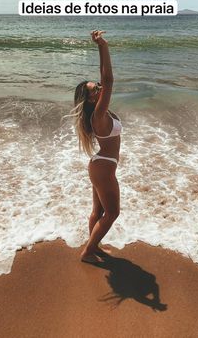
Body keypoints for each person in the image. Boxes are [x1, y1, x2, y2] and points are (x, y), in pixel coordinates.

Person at [73, 30, 122, 263]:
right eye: (96, 89)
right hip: (103, 167)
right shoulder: (99, 114)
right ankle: (88, 252)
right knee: (112, 213)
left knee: (99, 212)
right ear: (92, 99)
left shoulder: (97, 114)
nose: (101, 87)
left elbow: (105, 80)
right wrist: (102, 45)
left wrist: (100, 48)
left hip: (99, 165)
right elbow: (110, 79)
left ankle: (94, 245)